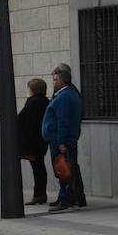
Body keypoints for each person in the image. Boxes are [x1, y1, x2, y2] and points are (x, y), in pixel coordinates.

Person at [42, 64, 85, 212]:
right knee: (65, 168)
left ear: (61, 81)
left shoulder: (65, 96)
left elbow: (63, 121)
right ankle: (64, 197)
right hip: (64, 139)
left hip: (61, 140)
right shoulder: (68, 94)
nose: (53, 83)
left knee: (63, 169)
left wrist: (61, 142)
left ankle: (66, 200)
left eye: (54, 80)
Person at [18, 78, 50, 205]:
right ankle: (40, 194)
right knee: (39, 167)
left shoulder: (33, 102)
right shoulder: (45, 101)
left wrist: (24, 142)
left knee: (37, 169)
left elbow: (29, 123)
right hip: (40, 141)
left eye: (29, 88)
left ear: (33, 89)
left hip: (33, 142)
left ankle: (39, 195)